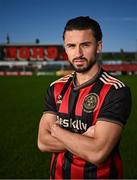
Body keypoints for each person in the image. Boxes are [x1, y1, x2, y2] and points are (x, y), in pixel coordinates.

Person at [37, 16, 132, 179]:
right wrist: (83, 139)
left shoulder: (115, 91)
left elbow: (97, 153)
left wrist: (56, 130)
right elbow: (43, 142)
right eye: (71, 46)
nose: (78, 53)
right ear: (65, 49)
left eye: (85, 45)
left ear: (98, 46)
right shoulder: (56, 88)